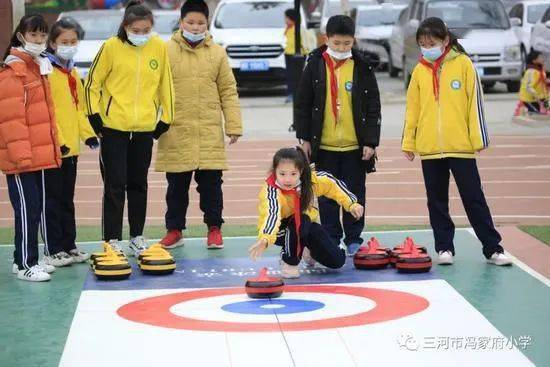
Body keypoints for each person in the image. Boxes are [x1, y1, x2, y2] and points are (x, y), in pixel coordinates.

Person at [401, 17, 512, 266]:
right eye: (422, 43)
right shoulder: (419, 71)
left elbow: (475, 103)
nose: (427, 47)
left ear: (445, 40)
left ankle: (493, 248)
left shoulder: (463, 65)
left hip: (460, 147)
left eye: (432, 42)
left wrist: (478, 137)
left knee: (474, 198)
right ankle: (444, 248)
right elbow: (413, 110)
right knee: (437, 201)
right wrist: (409, 142)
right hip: (430, 149)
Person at [85, 0, 175, 256]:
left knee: (139, 184)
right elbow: (92, 83)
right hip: (114, 128)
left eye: (146, 30)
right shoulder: (110, 48)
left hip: (145, 128)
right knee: (115, 185)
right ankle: (112, 239)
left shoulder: (158, 47)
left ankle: (137, 236)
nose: (142, 35)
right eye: (136, 30)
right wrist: (95, 117)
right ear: (125, 26)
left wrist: (165, 118)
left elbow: (165, 83)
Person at [156, 0, 242, 250]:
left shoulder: (217, 52)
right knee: (176, 188)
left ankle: (214, 228)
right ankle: (174, 230)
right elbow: (153, 89)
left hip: (208, 131)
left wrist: (233, 125)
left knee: (212, 186)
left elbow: (228, 89)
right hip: (176, 131)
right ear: (181, 22)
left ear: (207, 23)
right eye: (190, 22)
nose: (195, 27)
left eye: (200, 23)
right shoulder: (165, 51)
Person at [294, 15, 381, 257]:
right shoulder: (314, 64)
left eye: (347, 43)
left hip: (355, 145)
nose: (342, 48)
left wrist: (370, 142)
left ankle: (354, 237)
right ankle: (332, 236)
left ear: (354, 40)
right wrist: (305, 139)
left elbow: (373, 105)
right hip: (325, 146)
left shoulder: (362, 66)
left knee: (354, 193)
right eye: (337, 43)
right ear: (326, 39)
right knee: (326, 194)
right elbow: (303, 103)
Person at [0, 14, 63, 281]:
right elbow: (10, 120)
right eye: (33, 35)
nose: (38, 40)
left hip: (36, 155)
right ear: (21, 36)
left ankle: (20, 259)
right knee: (28, 208)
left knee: (33, 207)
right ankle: (28, 263)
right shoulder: (13, 72)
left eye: (42, 35)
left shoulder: (37, 67)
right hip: (22, 158)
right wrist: (22, 156)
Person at [248, 147, 364, 278]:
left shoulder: (311, 182)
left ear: (301, 171)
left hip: (306, 226)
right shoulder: (271, 191)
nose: (287, 179)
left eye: (293, 174)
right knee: (301, 219)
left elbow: (333, 185)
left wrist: (352, 204)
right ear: (275, 171)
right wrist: (265, 239)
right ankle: (289, 261)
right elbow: (272, 216)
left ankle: (308, 250)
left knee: (337, 261)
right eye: (282, 174)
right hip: (280, 230)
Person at [45, 19, 99, 264]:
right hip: (54, 148)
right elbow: (48, 111)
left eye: (73, 42)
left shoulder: (72, 72)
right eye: (63, 42)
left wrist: (88, 134)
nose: (68, 46)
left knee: (67, 199)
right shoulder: (47, 71)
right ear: (53, 43)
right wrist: (61, 140)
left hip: (72, 151)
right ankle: (53, 248)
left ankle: (70, 244)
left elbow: (79, 109)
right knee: (52, 200)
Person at [283, 8, 308, 105]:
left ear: (290, 18)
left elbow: (304, 42)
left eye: (286, 17)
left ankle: (297, 95)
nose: (285, 20)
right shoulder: (289, 28)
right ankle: (290, 94)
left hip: (298, 55)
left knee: (297, 76)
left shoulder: (298, 29)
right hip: (288, 54)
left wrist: (303, 53)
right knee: (289, 75)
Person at [519, 50, 548, 115]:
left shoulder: (540, 70)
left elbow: (542, 83)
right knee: (537, 114)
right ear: (534, 61)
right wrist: (537, 97)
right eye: (540, 58)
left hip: (541, 98)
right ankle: (527, 113)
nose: (543, 59)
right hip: (529, 99)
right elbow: (528, 87)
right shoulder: (531, 72)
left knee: (547, 107)